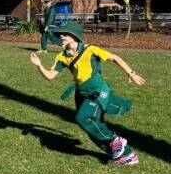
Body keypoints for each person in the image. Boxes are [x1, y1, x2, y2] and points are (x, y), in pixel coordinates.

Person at [29, 21, 144, 166]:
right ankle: (127, 155)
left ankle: (115, 139)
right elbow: (51, 76)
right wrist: (39, 65)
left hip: (98, 90)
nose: (61, 36)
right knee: (91, 127)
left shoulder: (90, 49)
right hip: (81, 92)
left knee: (82, 118)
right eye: (60, 34)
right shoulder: (61, 56)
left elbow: (114, 58)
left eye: (65, 33)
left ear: (74, 36)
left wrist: (131, 73)